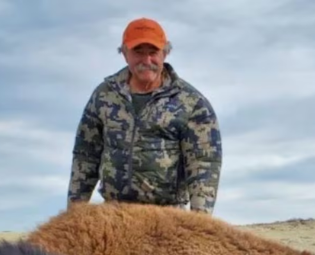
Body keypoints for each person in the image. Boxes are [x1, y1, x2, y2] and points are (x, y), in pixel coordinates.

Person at [66, 17, 223, 214]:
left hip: (168, 217)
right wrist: (73, 214)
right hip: (114, 215)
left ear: (165, 53)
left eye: (153, 52)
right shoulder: (104, 95)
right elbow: (85, 155)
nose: (146, 60)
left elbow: (204, 163)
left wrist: (200, 221)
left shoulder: (192, 103)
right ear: (124, 54)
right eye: (138, 52)